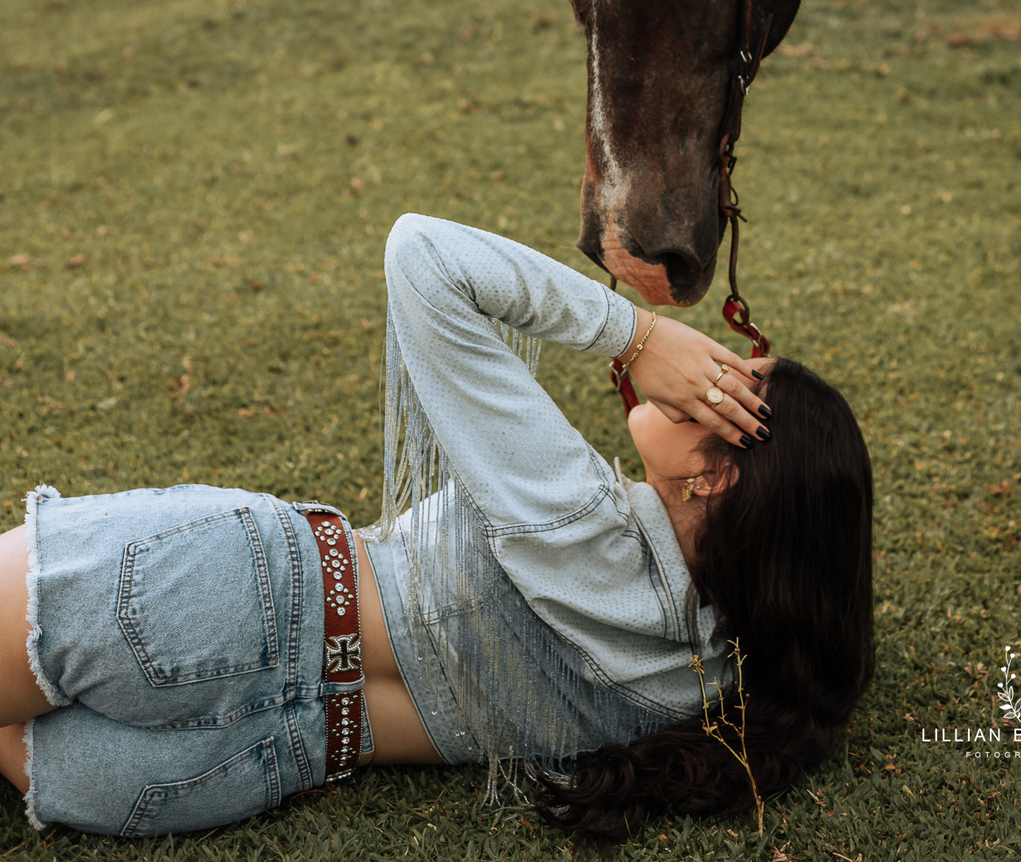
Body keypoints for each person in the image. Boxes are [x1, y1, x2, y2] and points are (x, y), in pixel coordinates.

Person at [0, 215, 874, 841]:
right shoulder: (707, 675)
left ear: (716, 473)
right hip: (226, 770)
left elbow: (425, 256)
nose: (703, 366)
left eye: (726, 378)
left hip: (207, 601)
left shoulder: (587, 530)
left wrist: (640, 334)